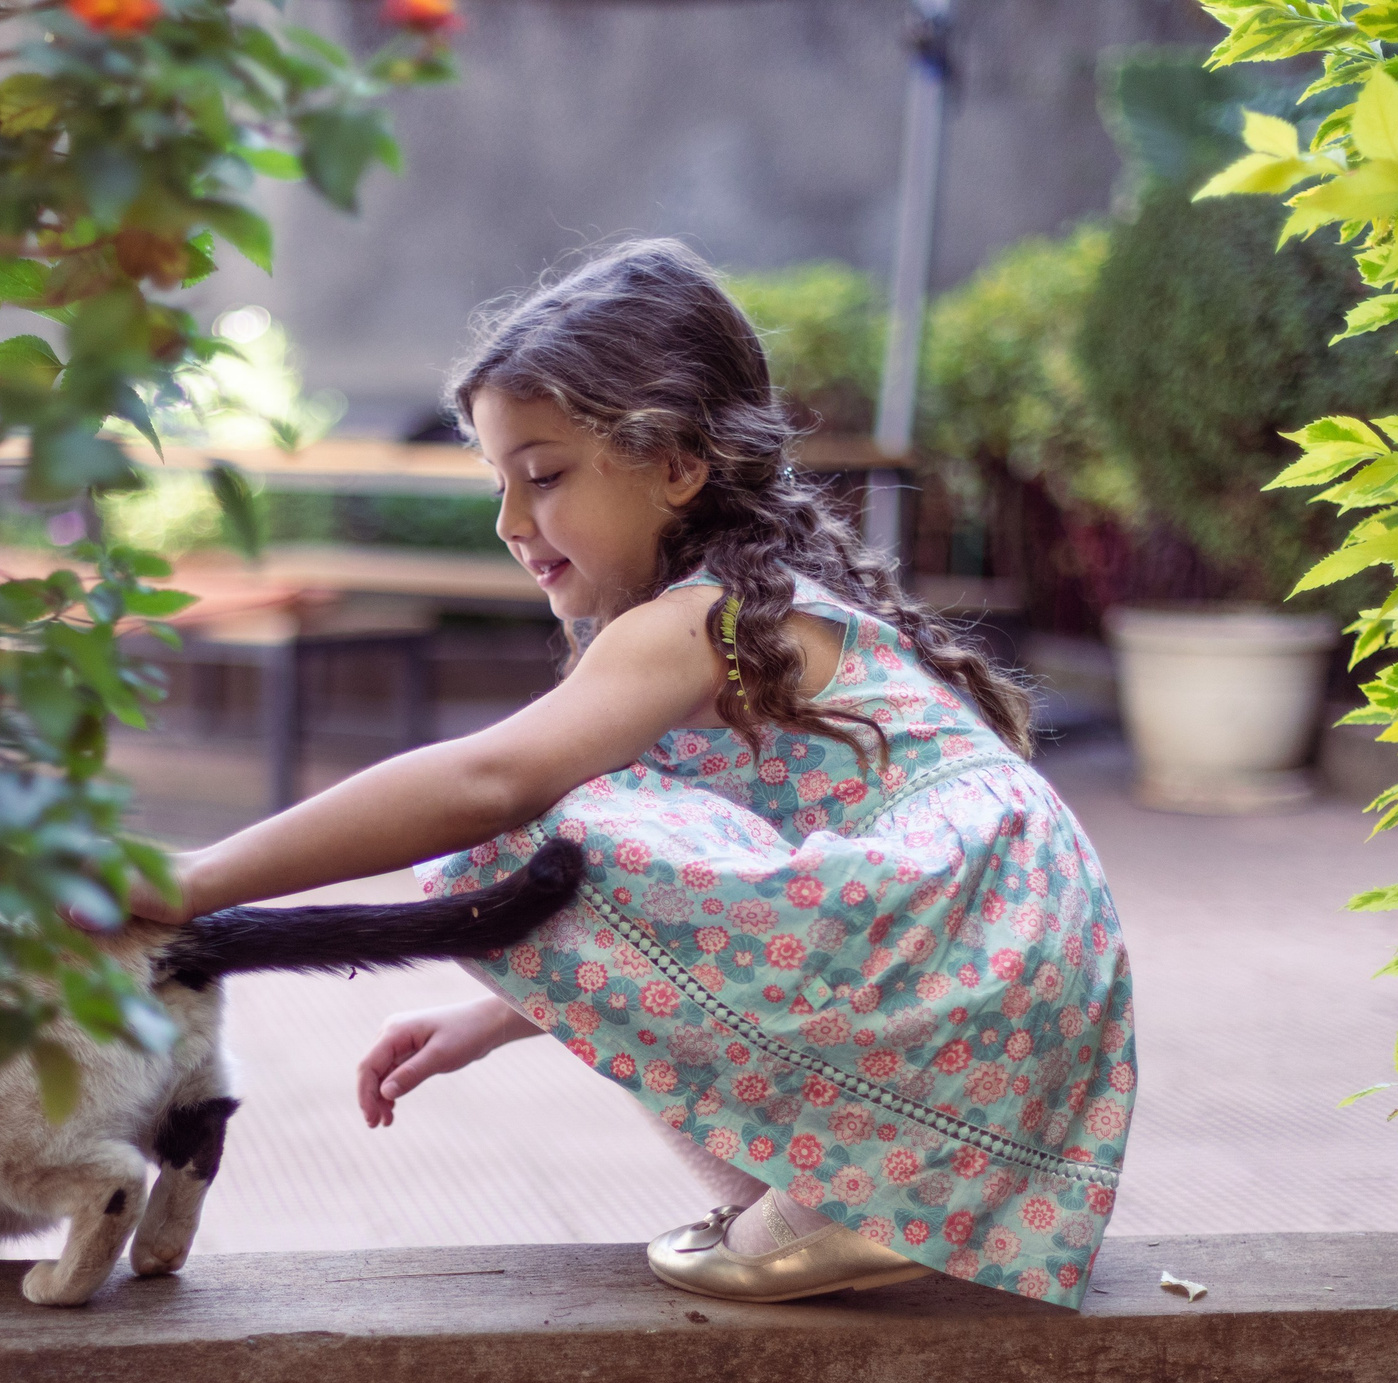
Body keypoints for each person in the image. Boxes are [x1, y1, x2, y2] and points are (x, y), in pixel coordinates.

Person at [134, 238, 1134, 1308]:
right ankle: (855, 1194)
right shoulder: (768, 602)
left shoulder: (694, 620)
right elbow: (712, 920)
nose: (511, 524)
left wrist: (196, 882)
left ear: (675, 462)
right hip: (1008, 953)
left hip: (948, 929)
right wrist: (510, 1012)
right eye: (499, 481)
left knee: (538, 828)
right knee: (572, 838)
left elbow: (489, 783)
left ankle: (842, 1202)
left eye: (545, 475)